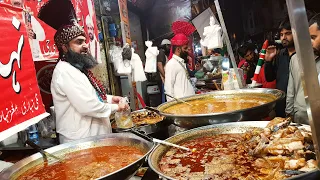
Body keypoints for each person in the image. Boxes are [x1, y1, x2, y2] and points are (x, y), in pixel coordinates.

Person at [38, 0, 128, 143]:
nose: (85, 46)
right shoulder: (64, 71)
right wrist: (117, 107)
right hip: (80, 142)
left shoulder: (76, 68)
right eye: (79, 42)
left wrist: (110, 98)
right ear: (64, 47)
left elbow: (91, 95)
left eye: (85, 41)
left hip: (94, 138)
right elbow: (88, 106)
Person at [286, 14, 320, 124]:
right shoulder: (295, 59)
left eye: (313, 37)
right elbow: (291, 88)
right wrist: (289, 111)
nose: (309, 42)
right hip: (300, 114)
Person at [265, 17, 296, 117]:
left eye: (287, 33)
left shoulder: (303, 54)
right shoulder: (280, 55)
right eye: (281, 35)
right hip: (281, 105)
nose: (283, 37)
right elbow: (270, 78)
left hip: (298, 105)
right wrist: (268, 61)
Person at [165, 21, 196, 101]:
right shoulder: (171, 64)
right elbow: (168, 90)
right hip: (181, 107)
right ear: (178, 49)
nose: (187, 51)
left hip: (188, 104)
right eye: (185, 48)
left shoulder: (181, 62)